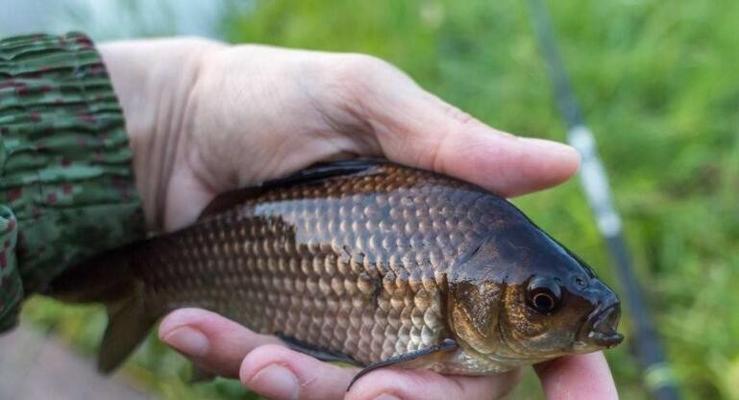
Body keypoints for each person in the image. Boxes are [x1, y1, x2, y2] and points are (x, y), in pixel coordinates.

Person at [0, 33, 618, 399]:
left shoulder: (479, 234)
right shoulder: (472, 237)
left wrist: (175, 104)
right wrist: (181, 103)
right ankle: (136, 283)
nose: (555, 309)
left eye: (544, 301)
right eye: (542, 300)